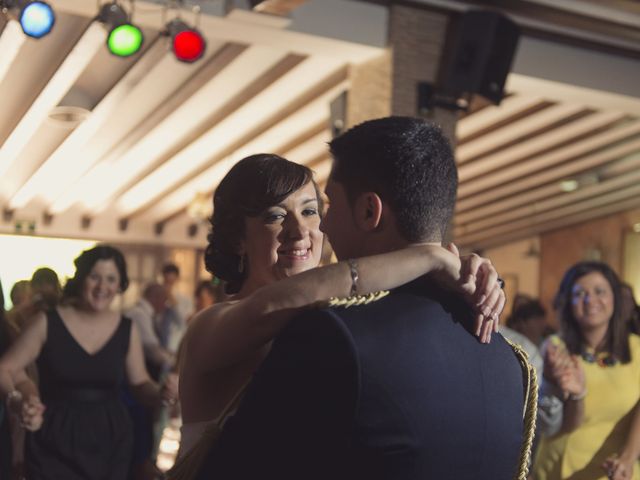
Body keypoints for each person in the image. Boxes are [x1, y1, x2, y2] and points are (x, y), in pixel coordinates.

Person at [191, 119, 534, 480]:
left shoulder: (333, 333)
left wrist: (456, 270)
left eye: (317, 210)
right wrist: (431, 257)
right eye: (275, 216)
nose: (313, 229)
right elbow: (267, 308)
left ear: (369, 211)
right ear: (237, 239)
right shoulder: (504, 357)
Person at [0, 245, 177, 480]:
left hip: (110, 439)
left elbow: (140, 383)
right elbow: (6, 367)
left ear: (120, 285)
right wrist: (17, 400)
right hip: (54, 436)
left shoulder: (127, 329)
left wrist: (161, 393)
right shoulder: (48, 323)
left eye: (111, 279)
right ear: (81, 278)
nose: (102, 287)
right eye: (95, 277)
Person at [534, 261, 640, 480]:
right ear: (568, 302)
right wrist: (577, 395)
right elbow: (565, 426)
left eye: (599, 291)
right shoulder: (556, 348)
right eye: (580, 293)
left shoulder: (637, 348)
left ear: (615, 299)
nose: (590, 300)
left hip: (617, 470)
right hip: (559, 467)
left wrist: (628, 457)